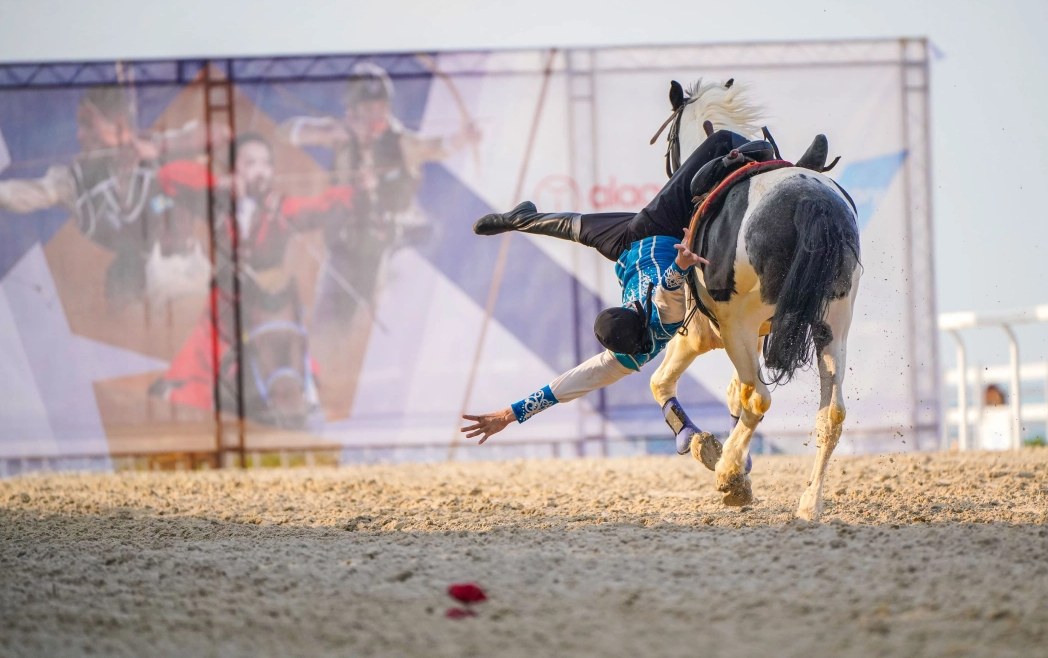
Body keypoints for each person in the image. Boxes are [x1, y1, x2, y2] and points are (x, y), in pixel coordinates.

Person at [151, 132, 355, 423]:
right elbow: (167, 176)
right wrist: (220, 184)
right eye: (250, 163)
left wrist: (353, 191)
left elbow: (321, 206)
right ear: (234, 170)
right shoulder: (217, 201)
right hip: (223, 317)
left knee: (297, 379)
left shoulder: (280, 207)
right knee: (191, 394)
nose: (260, 171)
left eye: (266, 164)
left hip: (265, 313)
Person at [461, 226, 718, 454]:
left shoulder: (626, 357)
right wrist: (680, 265)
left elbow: (562, 387)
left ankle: (519, 218)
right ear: (629, 310)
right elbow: (667, 289)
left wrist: (509, 415)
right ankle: (520, 219)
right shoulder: (658, 312)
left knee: (573, 226)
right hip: (646, 235)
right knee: (572, 225)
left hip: (634, 241)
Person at [278, 62, 481, 329]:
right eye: (369, 108)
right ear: (353, 111)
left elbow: (434, 148)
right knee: (326, 322)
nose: (377, 114)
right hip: (343, 245)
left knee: (371, 322)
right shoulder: (340, 133)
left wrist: (462, 138)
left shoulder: (399, 141)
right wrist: (330, 132)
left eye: (382, 107)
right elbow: (287, 132)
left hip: (383, 248)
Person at [0, 85, 215, 306]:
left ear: (118, 125)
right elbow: (23, 194)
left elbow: (219, 134)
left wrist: (159, 147)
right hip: (141, 290)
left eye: (88, 124)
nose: (79, 134)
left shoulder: (153, 148)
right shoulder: (76, 181)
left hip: (192, 273)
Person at [472, 128, 773, 263]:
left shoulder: (651, 339)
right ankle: (753, 161)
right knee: (721, 140)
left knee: (574, 227)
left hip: (643, 241)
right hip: (639, 241)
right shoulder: (652, 327)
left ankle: (521, 219)